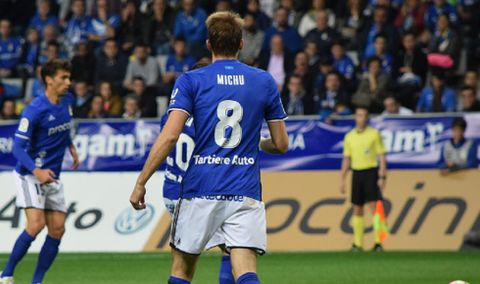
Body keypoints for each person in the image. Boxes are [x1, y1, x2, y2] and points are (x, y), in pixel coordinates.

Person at [129, 11, 289, 284]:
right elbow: (281, 144)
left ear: (208, 44)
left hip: (200, 188)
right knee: (246, 270)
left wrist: (141, 181)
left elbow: (169, 137)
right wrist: (255, 142)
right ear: (241, 44)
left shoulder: (191, 80)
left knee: (182, 270)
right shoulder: (264, 81)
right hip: (245, 188)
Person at [0, 59, 79, 283]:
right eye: (64, 78)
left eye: (69, 78)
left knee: (57, 230)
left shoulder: (67, 101)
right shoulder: (34, 110)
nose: (68, 82)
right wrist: (36, 171)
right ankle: (6, 273)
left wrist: (71, 146)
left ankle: (37, 281)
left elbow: (64, 128)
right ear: (49, 80)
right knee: (36, 224)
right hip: (29, 173)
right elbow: (17, 147)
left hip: (52, 175)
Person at [340, 107, 387, 252]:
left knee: (375, 207)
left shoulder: (374, 134)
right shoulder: (349, 136)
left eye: (364, 116)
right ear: (355, 117)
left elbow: (382, 156)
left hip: (371, 172)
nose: (362, 118)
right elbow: (346, 159)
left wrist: (382, 175)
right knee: (357, 208)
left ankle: (379, 242)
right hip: (357, 173)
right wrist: (342, 179)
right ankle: (357, 244)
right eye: (359, 115)